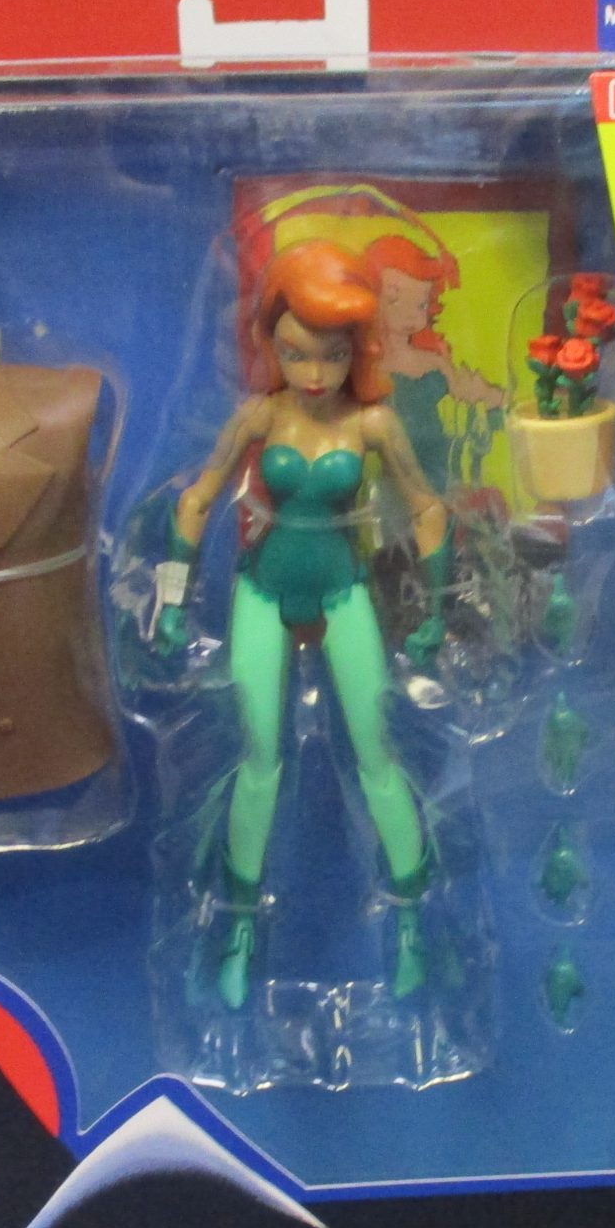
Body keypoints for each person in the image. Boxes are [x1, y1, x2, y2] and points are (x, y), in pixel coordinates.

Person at [153, 241, 452, 1007]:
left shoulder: (374, 424)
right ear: (271, 346)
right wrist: (170, 598)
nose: (315, 373)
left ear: (357, 350)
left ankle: (411, 922)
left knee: (377, 754)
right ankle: (238, 927)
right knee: (259, 758)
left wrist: (434, 605)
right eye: (296, 354)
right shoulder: (260, 415)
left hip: (344, 590)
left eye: (332, 354)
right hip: (264, 588)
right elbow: (197, 499)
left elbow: (426, 508)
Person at [363, 234, 505, 492]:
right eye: (393, 300)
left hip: (440, 465)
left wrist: (491, 397)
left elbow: (465, 393)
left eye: (420, 304)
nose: (409, 314)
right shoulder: (366, 369)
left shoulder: (434, 362)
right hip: (389, 472)